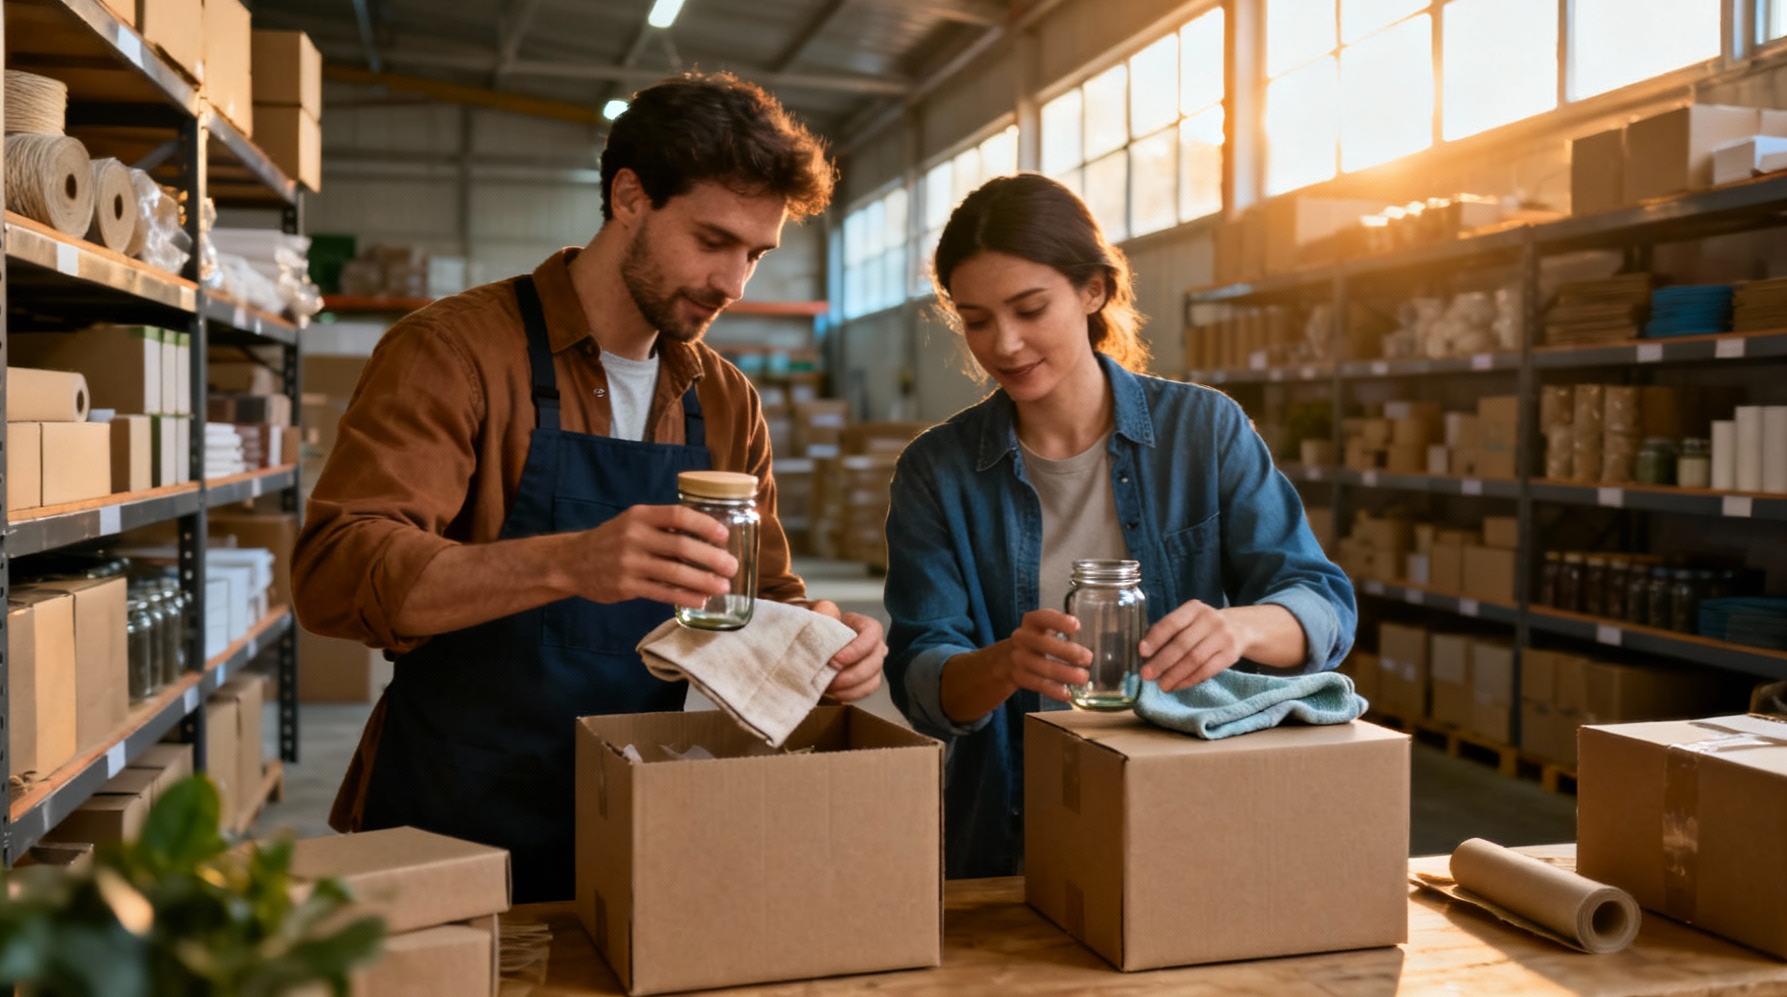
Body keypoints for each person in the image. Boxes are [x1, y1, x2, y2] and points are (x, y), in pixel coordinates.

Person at [292, 73, 886, 902]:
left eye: (755, 254)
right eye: (713, 240)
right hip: (456, 811)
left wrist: (824, 640)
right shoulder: (454, 353)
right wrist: (569, 562)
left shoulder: (725, 401)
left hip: (638, 811)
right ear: (629, 197)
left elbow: (761, 594)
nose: (735, 284)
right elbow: (335, 574)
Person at [882, 173, 1356, 879]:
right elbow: (921, 681)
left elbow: (1323, 604)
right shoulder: (936, 471)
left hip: (1186, 810)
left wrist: (1238, 629)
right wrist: (1003, 664)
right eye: (976, 320)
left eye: (1030, 309)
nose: (1005, 343)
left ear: (1093, 290)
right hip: (1011, 826)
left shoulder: (1206, 430)